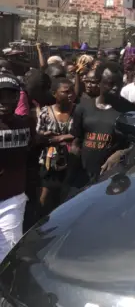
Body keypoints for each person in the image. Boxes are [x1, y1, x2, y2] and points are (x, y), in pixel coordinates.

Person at [69, 63, 135, 194]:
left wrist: (121, 154)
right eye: (110, 83)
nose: (115, 88)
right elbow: (77, 140)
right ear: (99, 83)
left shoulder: (132, 111)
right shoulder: (83, 107)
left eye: (119, 84)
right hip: (84, 177)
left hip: (114, 179)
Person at [0, 74, 37, 261]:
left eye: (10, 96)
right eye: (0, 95)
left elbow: (32, 149)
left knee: (8, 252)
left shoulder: (26, 124)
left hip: (11, 200)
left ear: (17, 98)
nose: (4, 101)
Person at [36, 77, 75, 214]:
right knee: (44, 197)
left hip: (71, 162)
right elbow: (38, 134)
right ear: (54, 94)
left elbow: (80, 133)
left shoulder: (78, 112)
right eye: (66, 92)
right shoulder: (46, 112)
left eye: (72, 91)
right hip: (48, 163)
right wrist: (45, 136)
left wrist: (61, 138)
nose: (70, 94)